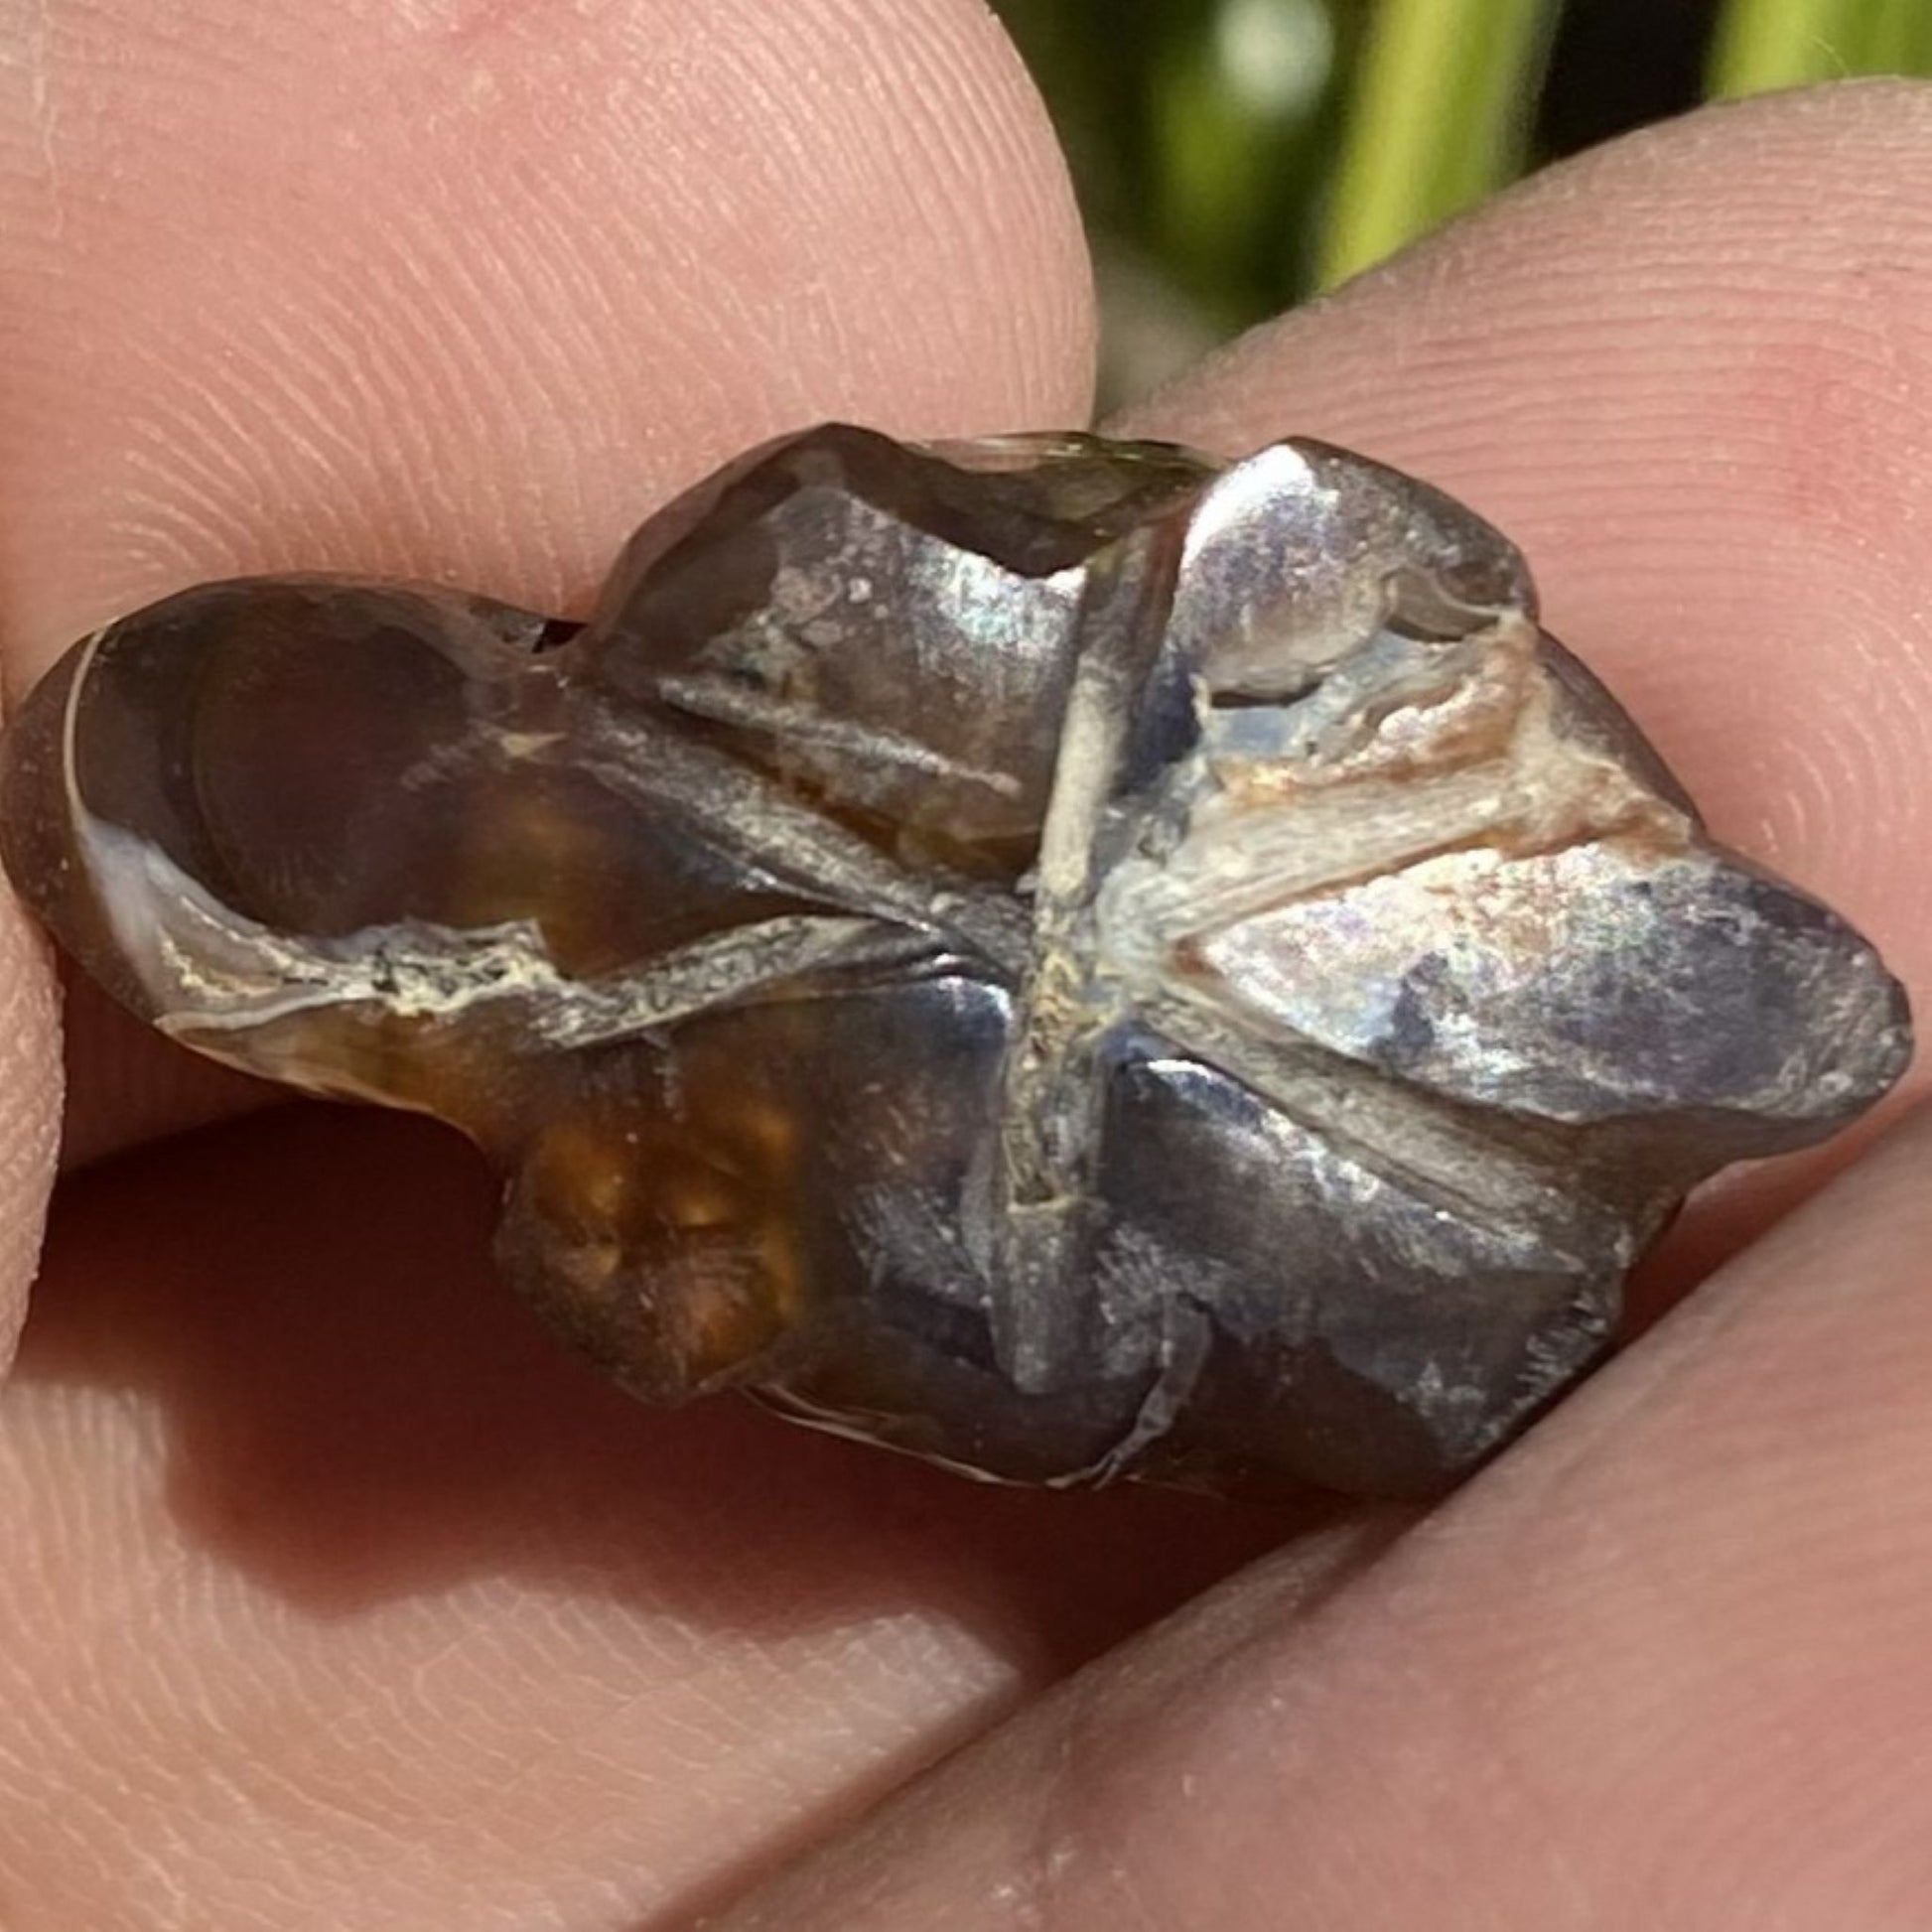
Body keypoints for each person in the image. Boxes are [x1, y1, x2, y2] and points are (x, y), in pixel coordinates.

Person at [0, 7, 1926, 1925]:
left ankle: (1675, 1063)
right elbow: (731, 1303)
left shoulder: (771, 562)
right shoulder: (608, 1140)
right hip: (1225, 1270)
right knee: (1482, 1302)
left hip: (1349, 922)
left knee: (1671, 1060)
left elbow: (1228, 537)